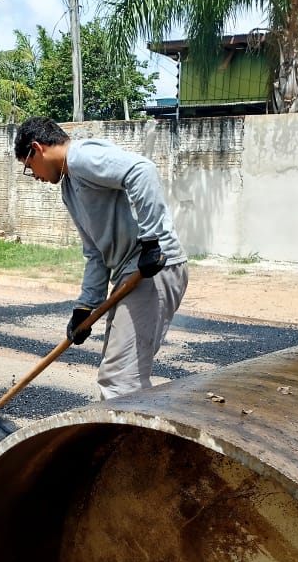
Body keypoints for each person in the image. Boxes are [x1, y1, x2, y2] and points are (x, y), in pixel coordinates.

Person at [12, 116, 188, 400]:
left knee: (121, 377)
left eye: (29, 167)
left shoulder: (81, 156)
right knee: (120, 371)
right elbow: (95, 252)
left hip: (152, 268)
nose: (35, 177)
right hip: (130, 271)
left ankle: (130, 443)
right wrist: (85, 307)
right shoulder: (69, 188)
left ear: (37, 148)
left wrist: (151, 241)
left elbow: (142, 171)